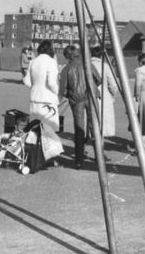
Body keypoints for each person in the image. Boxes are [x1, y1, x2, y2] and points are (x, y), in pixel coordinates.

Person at [22, 39, 63, 168]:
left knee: (36, 130)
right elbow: (51, 82)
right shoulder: (51, 62)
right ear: (50, 49)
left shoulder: (33, 61)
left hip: (35, 99)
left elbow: (26, 81)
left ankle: (35, 156)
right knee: (50, 131)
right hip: (48, 101)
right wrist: (58, 92)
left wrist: (35, 88)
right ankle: (50, 157)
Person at [59, 45, 99, 169]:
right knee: (95, 127)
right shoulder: (87, 64)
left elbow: (63, 89)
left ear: (67, 56)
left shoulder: (66, 69)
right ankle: (99, 157)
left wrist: (70, 94)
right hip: (91, 96)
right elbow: (99, 78)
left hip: (76, 99)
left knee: (79, 129)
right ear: (76, 53)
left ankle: (79, 160)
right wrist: (92, 86)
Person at [90, 46, 120, 142]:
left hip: (89, 95)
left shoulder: (87, 65)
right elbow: (113, 85)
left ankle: (92, 140)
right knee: (102, 124)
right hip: (103, 96)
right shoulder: (105, 66)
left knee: (91, 122)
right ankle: (100, 150)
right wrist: (113, 95)